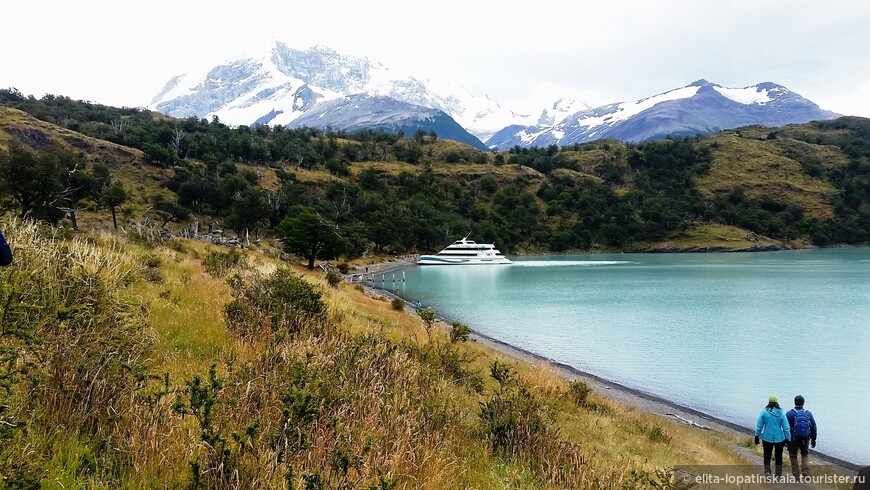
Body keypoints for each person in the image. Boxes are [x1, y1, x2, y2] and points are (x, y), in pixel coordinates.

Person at [755, 395, 791, 477]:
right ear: (777, 402)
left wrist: (757, 435)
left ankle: (767, 472)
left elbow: (759, 425)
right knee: (779, 457)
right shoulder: (781, 413)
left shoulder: (764, 412)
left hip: (767, 438)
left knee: (767, 455)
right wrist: (788, 439)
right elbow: (786, 428)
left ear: (769, 402)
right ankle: (778, 475)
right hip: (779, 439)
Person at [786, 395, 817, 479]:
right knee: (805, 453)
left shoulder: (789, 413)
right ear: (803, 403)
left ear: (794, 402)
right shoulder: (808, 413)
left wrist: (786, 439)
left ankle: (796, 474)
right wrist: (814, 439)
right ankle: (805, 471)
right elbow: (814, 427)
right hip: (805, 437)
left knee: (793, 455)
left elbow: (785, 427)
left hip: (793, 438)